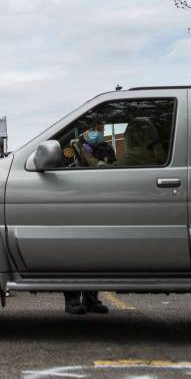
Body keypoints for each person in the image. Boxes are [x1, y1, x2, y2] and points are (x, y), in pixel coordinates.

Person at [62, 122, 113, 315]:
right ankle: (72, 300)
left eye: (101, 129)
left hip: (99, 201)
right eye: (96, 129)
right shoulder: (71, 146)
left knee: (95, 253)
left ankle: (92, 298)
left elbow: (113, 166)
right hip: (75, 200)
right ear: (86, 129)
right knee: (73, 253)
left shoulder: (105, 147)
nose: (99, 133)